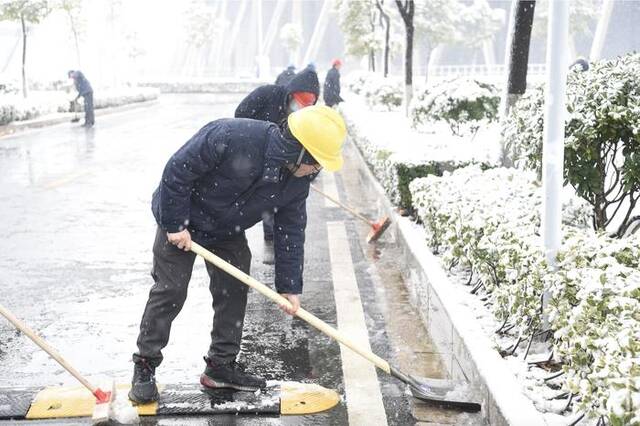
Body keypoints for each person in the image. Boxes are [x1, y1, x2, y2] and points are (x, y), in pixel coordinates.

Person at [129, 105, 347, 404]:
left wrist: (289, 287)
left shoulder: (296, 182)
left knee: (234, 290)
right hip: (182, 219)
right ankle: (145, 364)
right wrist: (175, 224)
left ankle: (220, 366)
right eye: (316, 163)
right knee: (171, 290)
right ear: (299, 152)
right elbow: (177, 170)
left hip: (226, 230)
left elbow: (290, 232)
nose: (316, 171)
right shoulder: (231, 135)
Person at [235, 67, 320, 248]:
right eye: (297, 103)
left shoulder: (306, 118)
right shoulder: (266, 94)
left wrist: (304, 170)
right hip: (255, 155)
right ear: (291, 94)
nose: (298, 109)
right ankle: (260, 231)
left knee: (276, 196)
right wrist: (261, 138)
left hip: (282, 163)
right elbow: (239, 116)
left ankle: (272, 232)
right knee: (255, 196)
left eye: (305, 106)